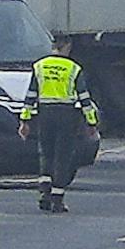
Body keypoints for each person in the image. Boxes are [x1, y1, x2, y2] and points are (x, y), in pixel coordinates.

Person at [19, 36, 99, 213]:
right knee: (62, 156)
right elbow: (84, 98)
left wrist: (25, 121)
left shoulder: (39, 66)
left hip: (45, 114)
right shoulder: (74, 68)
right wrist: (91, 123)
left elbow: (31, 95)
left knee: (46, 154)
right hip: (67, 115)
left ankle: (44, 193)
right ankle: (57, 199)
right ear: (68, 47)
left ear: (53, 46)